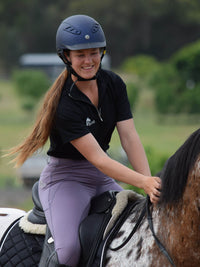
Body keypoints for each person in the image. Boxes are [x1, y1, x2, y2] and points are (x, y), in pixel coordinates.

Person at [9, 15, 161, 267]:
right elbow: (99, 159)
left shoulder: (114, 84)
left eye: (94, 53)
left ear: (102, 52)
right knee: (68, 252)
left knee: (138, 229)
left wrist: (148, 185)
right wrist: (142, 181)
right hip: (66, 179)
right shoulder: (64, 105)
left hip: (100, 177)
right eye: (80, 55)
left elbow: (129, 137)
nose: (89, 61)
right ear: (66, 57)